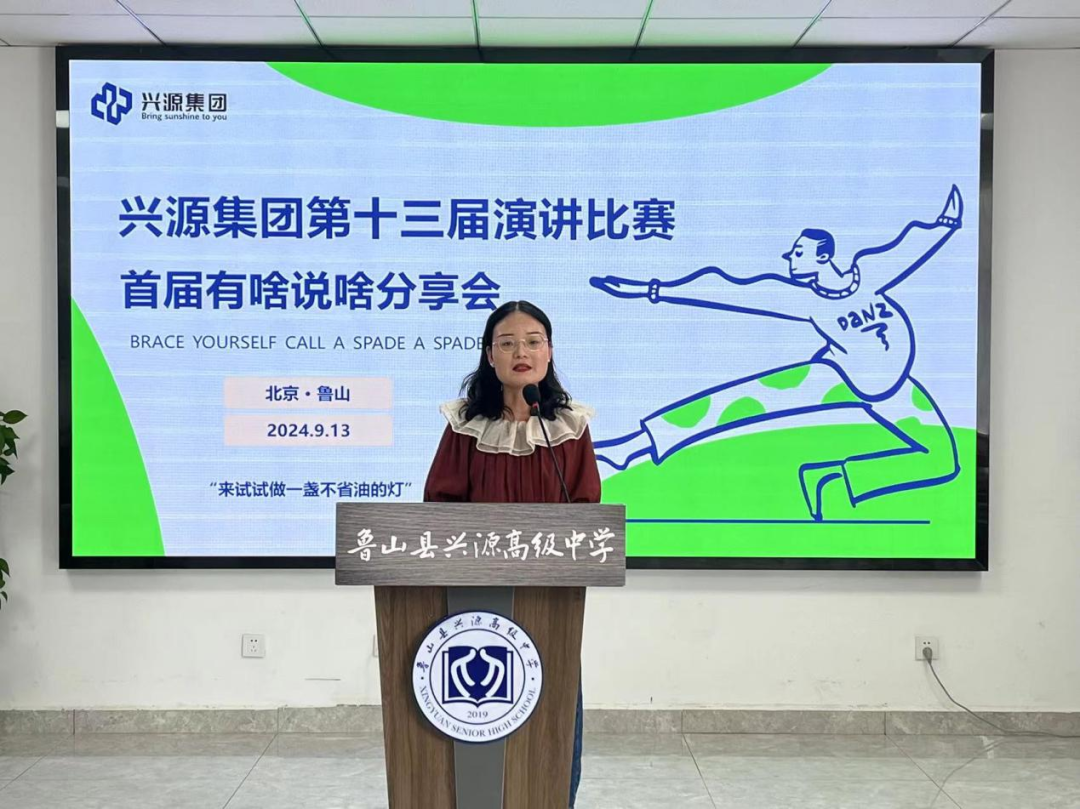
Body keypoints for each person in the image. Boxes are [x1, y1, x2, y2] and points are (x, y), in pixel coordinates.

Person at [589, 185, 963, 521]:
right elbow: (729, 290)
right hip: (840, 377)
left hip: (896, 389)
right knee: (732, 403)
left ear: (823, 255)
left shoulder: (871, 272)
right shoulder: (804, 299)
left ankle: (831, 476)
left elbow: (909, 248)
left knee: (943, 459)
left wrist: (946, 224)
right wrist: (651, 290)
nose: (790, 258)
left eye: (798, 252)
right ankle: (628, 449)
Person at [424, 300, 599, 807]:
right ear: (490, 355)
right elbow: (438, 508)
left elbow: (587, 512)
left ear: (549, 352)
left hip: (551, 604)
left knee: (554, 725)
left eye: (533, 341)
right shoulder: (465, 426)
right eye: (507, 343)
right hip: (475, 603)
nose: (521, 351)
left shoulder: (569, 427)